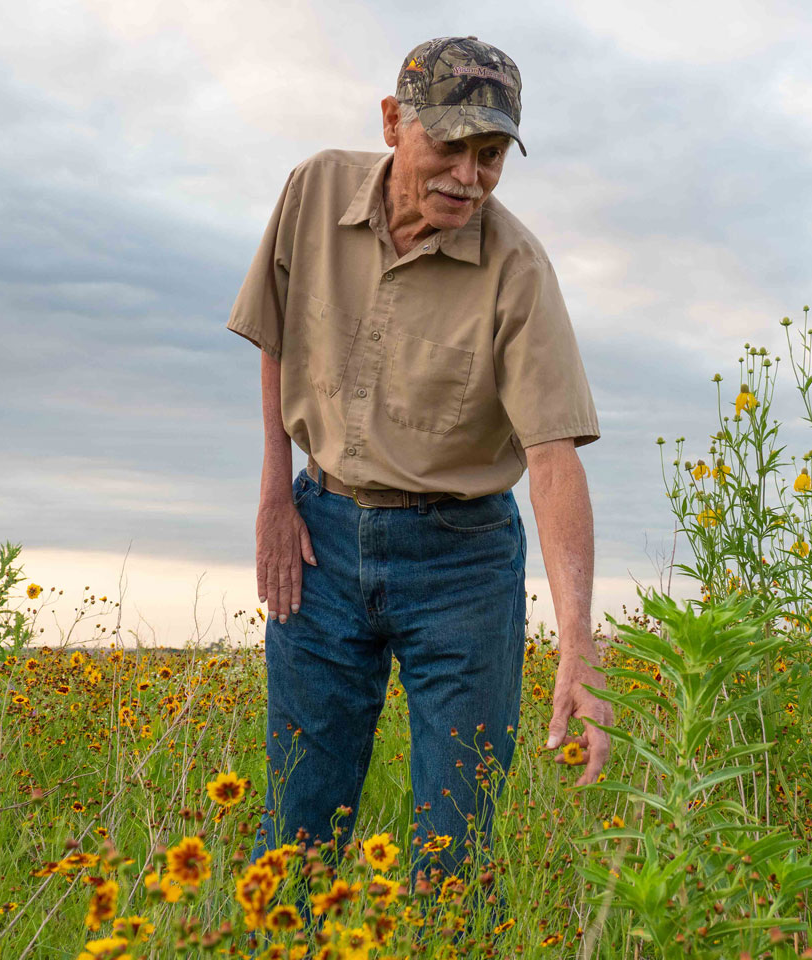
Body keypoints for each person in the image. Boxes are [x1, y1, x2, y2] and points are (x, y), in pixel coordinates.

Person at [226, 35, 610, 888]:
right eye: (450, 146)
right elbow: (274, 335)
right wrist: (273, 500)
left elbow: (551, 457)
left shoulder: (517, 268)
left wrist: (577, 646)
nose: (468, 176)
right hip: (319, 537)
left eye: (490, 155)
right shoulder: (314, 188)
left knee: (457, 846)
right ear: (395, 122)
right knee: (296, 825)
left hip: (462, 562)